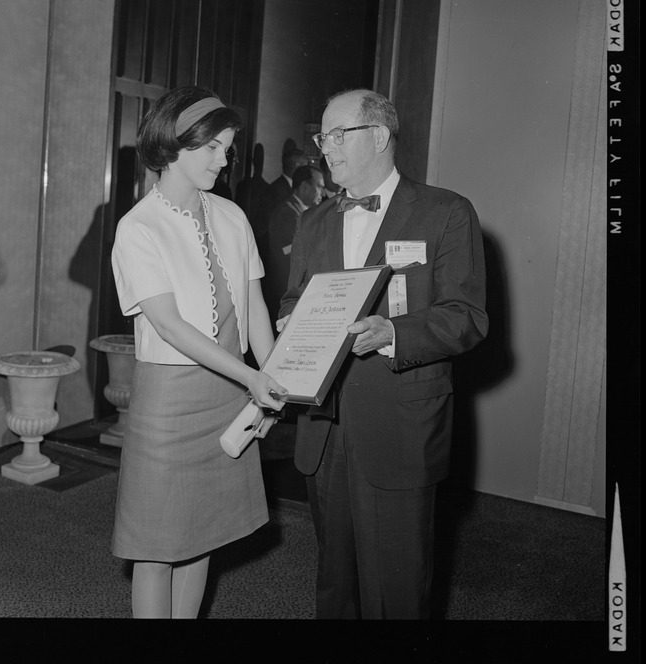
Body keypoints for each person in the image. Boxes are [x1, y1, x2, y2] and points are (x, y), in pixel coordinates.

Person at [279, 89, 488, 619]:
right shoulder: (314, 222)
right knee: (335, 585)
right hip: (324, 428)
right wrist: (291, 325)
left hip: (400, 424)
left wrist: (392, 334)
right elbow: (295, 300)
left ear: (378, 136)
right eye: (321, 137)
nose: (324, 148)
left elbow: (466, 316)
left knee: (396, 592)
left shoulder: (446, 212)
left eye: (336, 134)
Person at [110, 85, 287, 619]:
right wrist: (251, 377)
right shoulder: (138, 227)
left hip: (231, 392)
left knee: (202, 532)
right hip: (170, 399)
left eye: (228, 148)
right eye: (212, 148)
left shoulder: (232, 215)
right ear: (172, 147)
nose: (224, 159)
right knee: (155, 543)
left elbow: (255, 305)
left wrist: (277, 375)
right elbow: (168, 324)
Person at [263, 164, 324, 324]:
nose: (322, 193)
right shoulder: (287, 213)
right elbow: (291, 252)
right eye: (319, 186)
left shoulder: (299, 212)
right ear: (304, 186)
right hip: (285, 292)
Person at [234, 142, 268, 218]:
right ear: (253, 161)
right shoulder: (242, 186)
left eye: (260, 160)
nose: (259, 163)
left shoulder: (267, 188)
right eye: (257, 159)